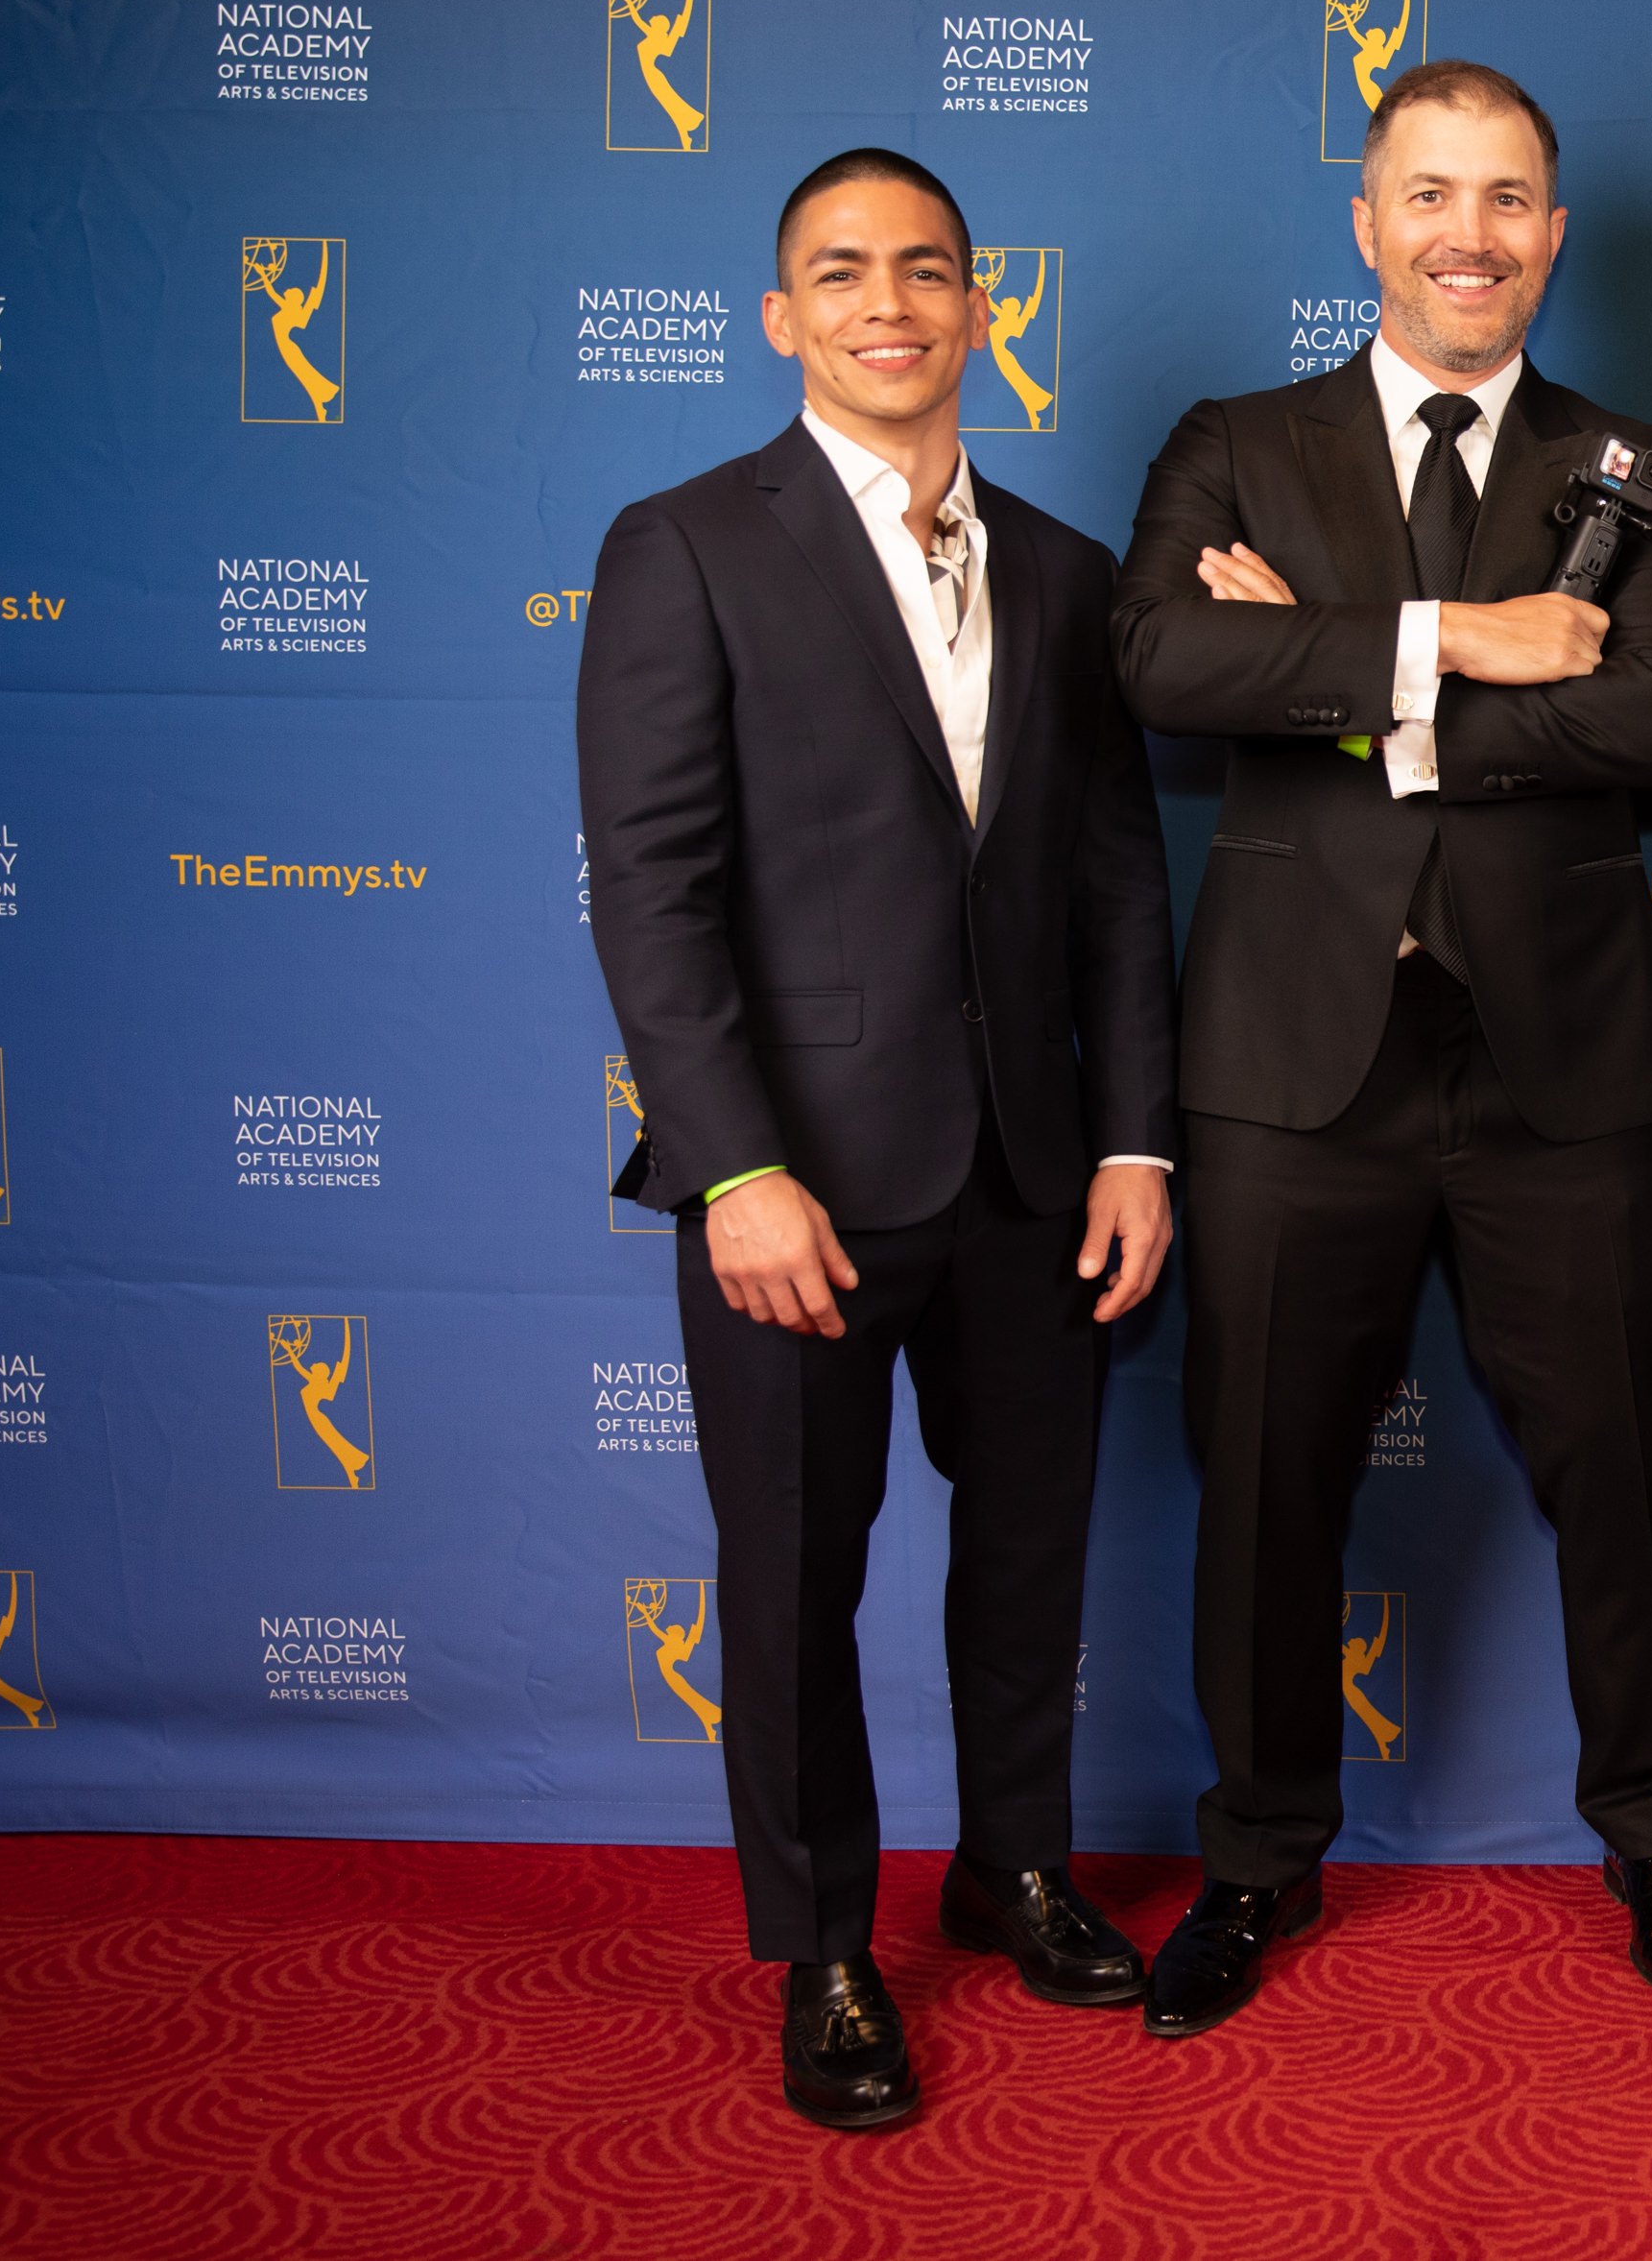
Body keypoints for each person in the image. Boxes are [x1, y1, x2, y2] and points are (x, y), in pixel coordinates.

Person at [1110, 60, 1652, 2028]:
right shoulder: (1234, 443)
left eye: (1509, 198)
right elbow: (1162, 657)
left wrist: (1319, 654)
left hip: (1563, 1065)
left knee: (1627, 1468)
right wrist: (1450, 636)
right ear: (1368, 222)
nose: (1471, 233)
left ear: (1554, 233)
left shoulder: (1641, 466)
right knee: (1266, 1477)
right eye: (1433, 194)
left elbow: (1648, 720)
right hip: (1293, 1062)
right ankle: (1253, 1858)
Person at [579, 149, 1179, 2129]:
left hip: (1032, 1171)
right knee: (790, 1579)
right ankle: (824, 1945)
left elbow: (1116, 888)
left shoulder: (1067, 571)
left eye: (925, 270)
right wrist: (732, 1168)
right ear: (783, 316)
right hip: (801, 1184)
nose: (887, 304)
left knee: (1029, 1554)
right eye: (840, 273)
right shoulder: (684, 545)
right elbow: (652, 894)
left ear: (981, 307)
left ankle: (1013, 1867)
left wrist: (1136, 1143)